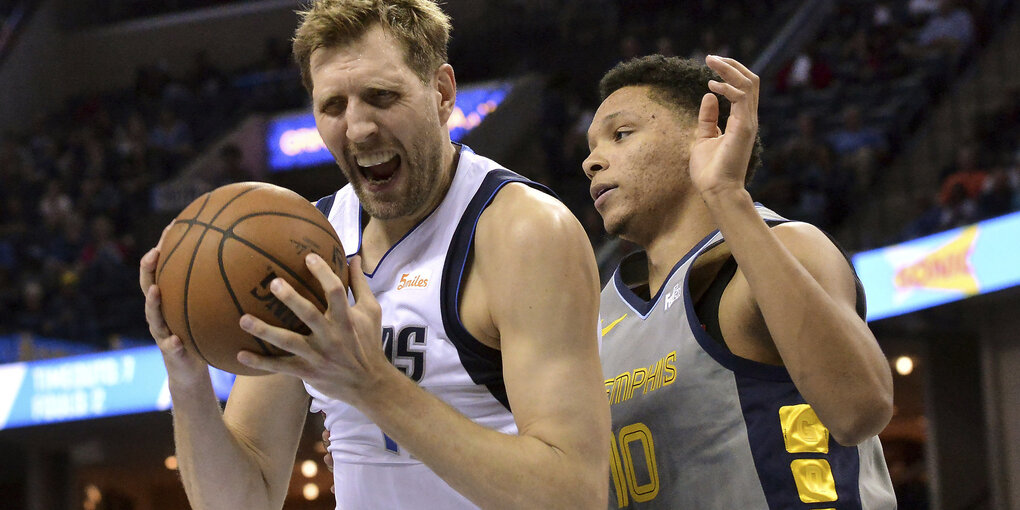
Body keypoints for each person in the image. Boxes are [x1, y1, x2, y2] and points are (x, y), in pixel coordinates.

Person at [138, 1, 609, 508]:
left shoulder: (524, 231)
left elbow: (574, 495)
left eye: (381, 97)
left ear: (442, 93)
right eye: (333, 106)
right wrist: (187, 378)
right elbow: (241, 501)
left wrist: (372, 385)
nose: (358, 128)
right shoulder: (300, 249)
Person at [583, 54, 896, 508]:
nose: (593, 162)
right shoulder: (594, 316)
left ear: (705, 132)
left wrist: (725, 194)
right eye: (590, 148)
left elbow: (858, 410)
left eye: (621, 134)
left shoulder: (786, 248)